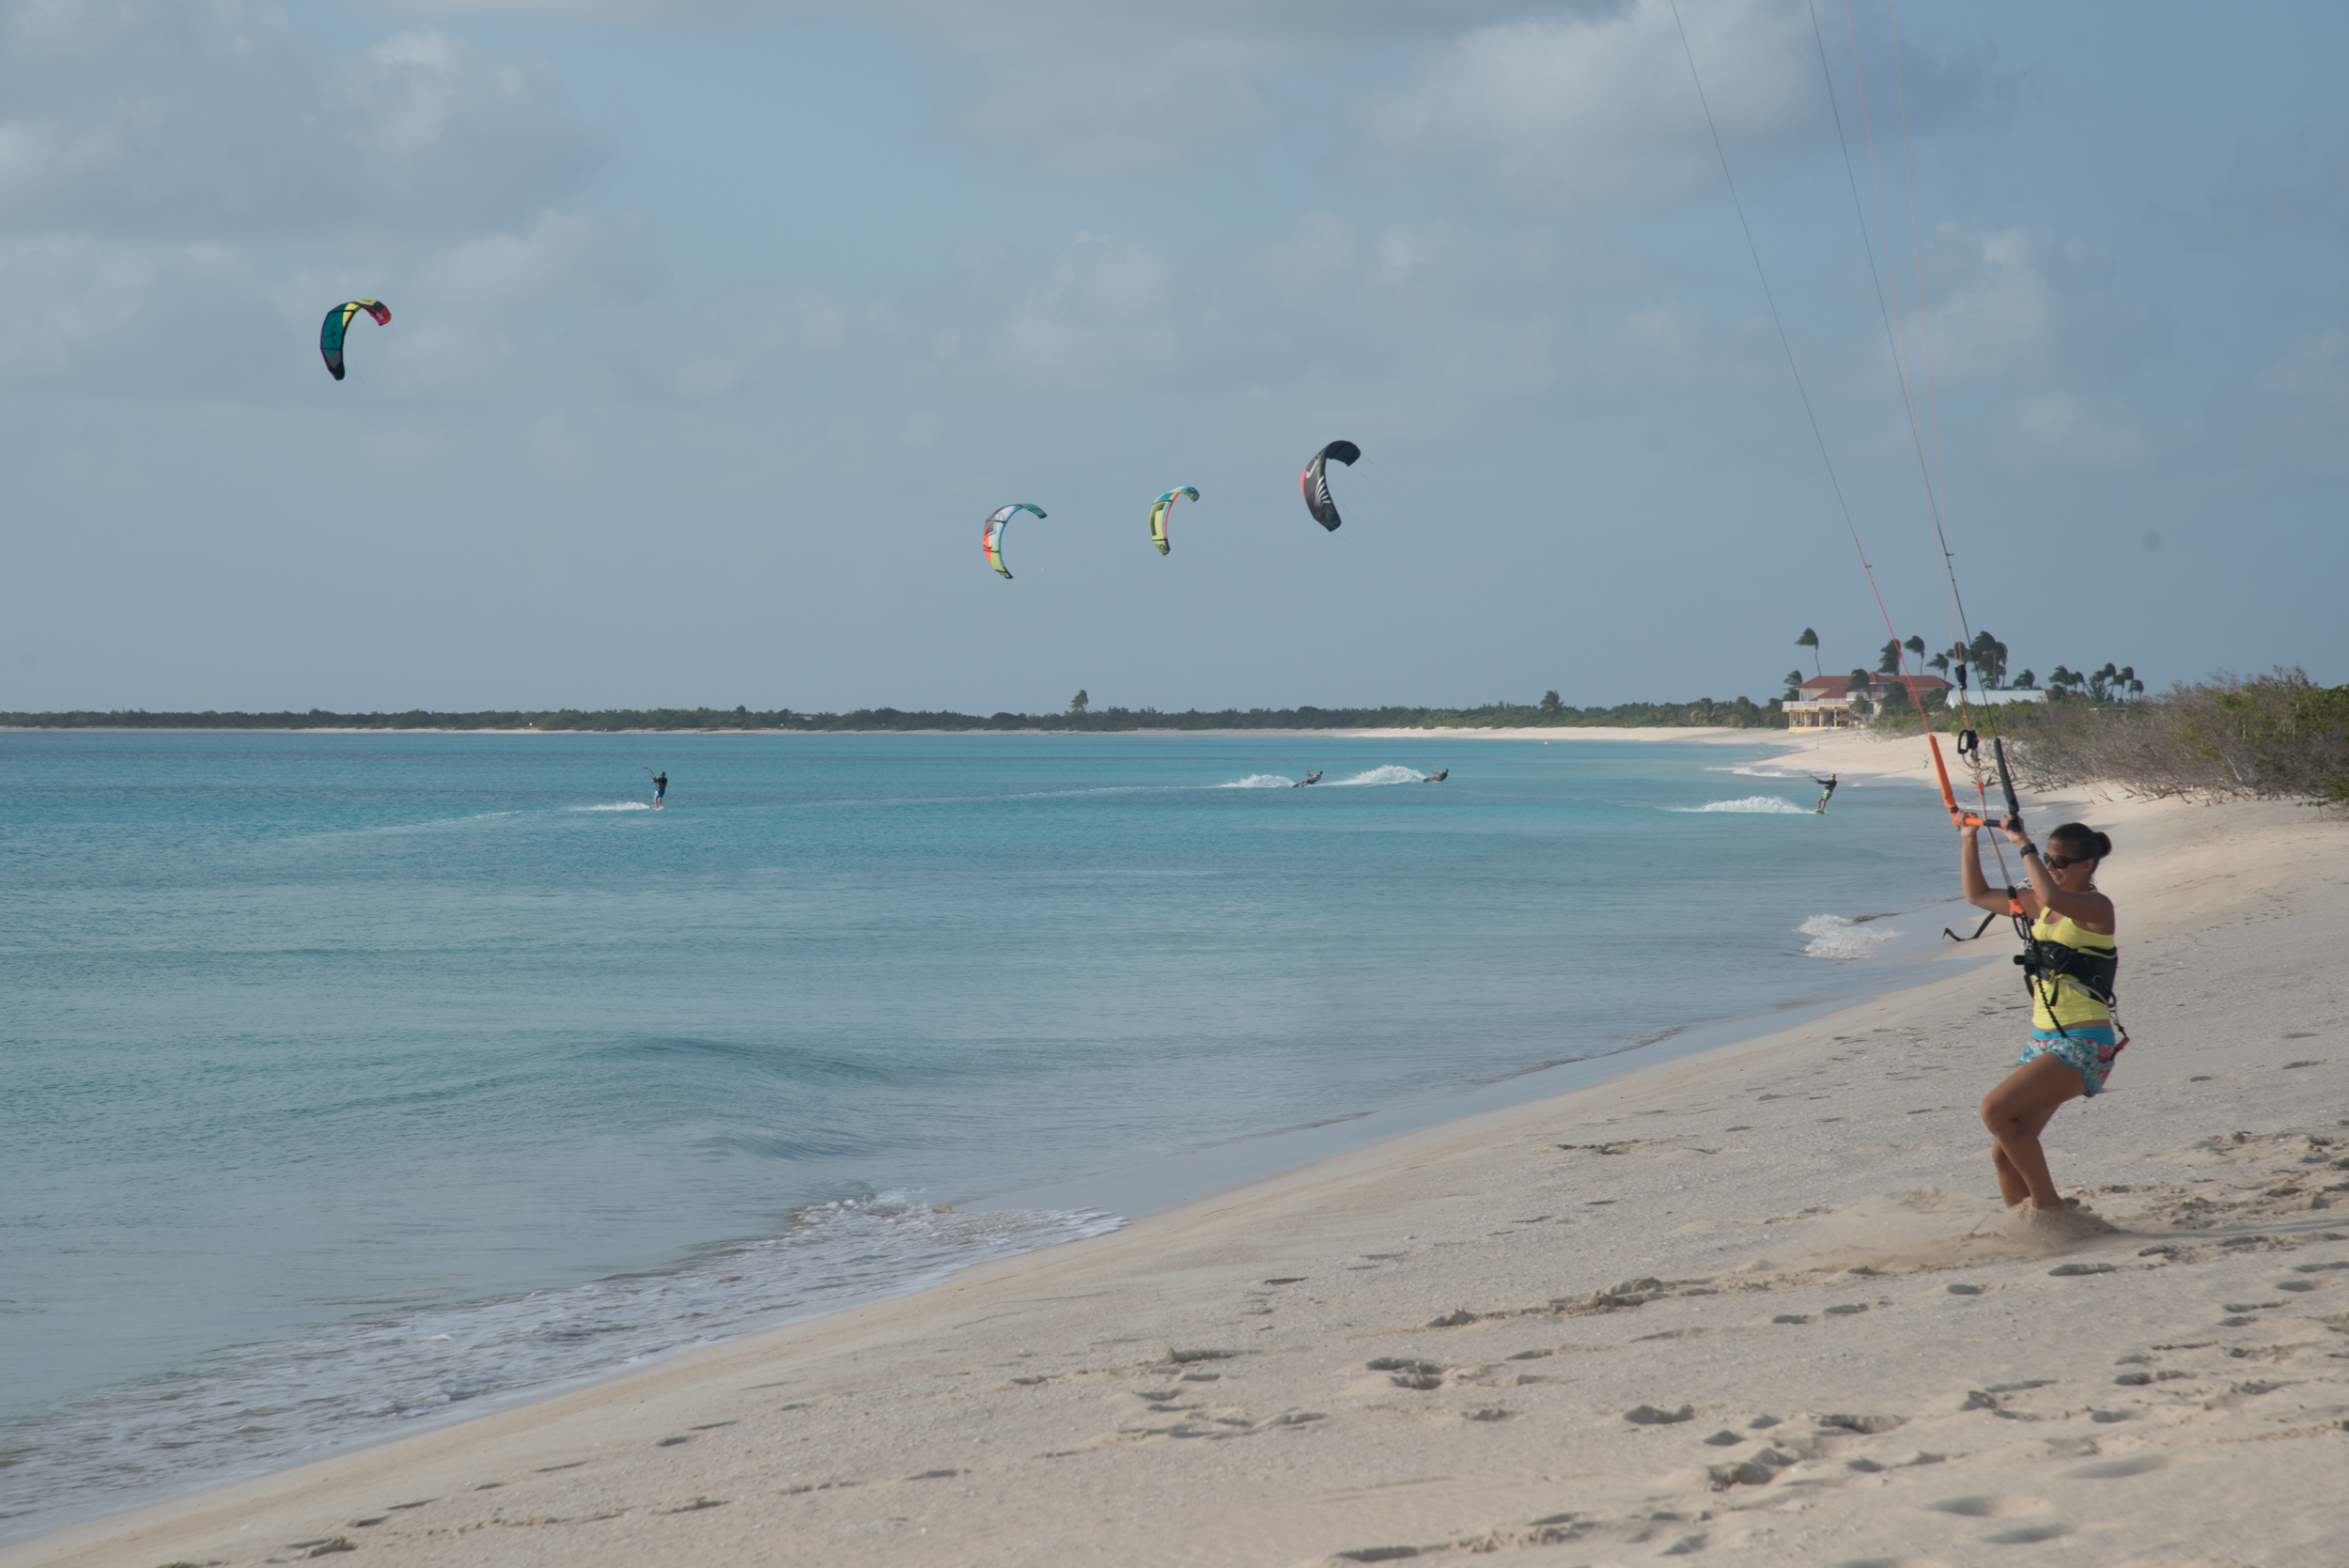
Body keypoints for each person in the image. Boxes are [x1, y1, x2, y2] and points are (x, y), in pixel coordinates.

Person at [1958, 817, 2122, 1224]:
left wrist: (2024, 844)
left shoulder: (2095, 909)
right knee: (2004, 1151)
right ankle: (2029, 1229)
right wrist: (1968, 838)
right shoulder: (2039, 904)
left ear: (2087, 865)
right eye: (2048, 859)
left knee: (1994, 1110)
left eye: (2059, 860)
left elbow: (2049, 893)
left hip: (2084, 1043)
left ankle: (2050, 1208)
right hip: (2042, 1041)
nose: (2051, 866)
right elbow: (1976, 895)